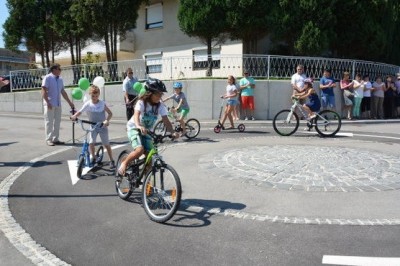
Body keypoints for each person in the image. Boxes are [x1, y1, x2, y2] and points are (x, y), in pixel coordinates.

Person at [117, 78, 179, 175]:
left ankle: (146, 182)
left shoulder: (160, 105)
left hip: (147, 131)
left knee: (152, 156)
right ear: (150, 93)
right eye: (158, 94)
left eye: (161, 94)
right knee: (140, 150)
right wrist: (138, 125)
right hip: (134, 128)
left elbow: (166, 120)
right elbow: (136, 115)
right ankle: (124, 162)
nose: (160, 96)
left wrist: (172, 132)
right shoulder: (142, 102)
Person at [70, 85, 115, 168]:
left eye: (96, 96)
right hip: (93, 126)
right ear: (90, 95)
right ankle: (94, 157)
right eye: (93, 96)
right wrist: (74, 116)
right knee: (91, 143)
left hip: (102, 126)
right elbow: (80, 111)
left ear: (99, 95)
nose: (94, 98)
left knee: (106, 144)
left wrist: (106, 120)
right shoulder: (88, 104)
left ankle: (111, 160)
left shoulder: (102, 103)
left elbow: (110, 113)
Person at [41, 63, 75, 146]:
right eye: (59, 69)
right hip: (49, 103)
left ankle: (55, 139)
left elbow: (63, 92)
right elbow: (43, 91)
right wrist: (48, 102)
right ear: (54, 70)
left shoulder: (60, 79)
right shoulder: (47, 78)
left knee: (57, 122)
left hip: (58, 104)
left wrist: (70, 103)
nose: (60, 71)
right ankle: (49, 139)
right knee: (49, 122)